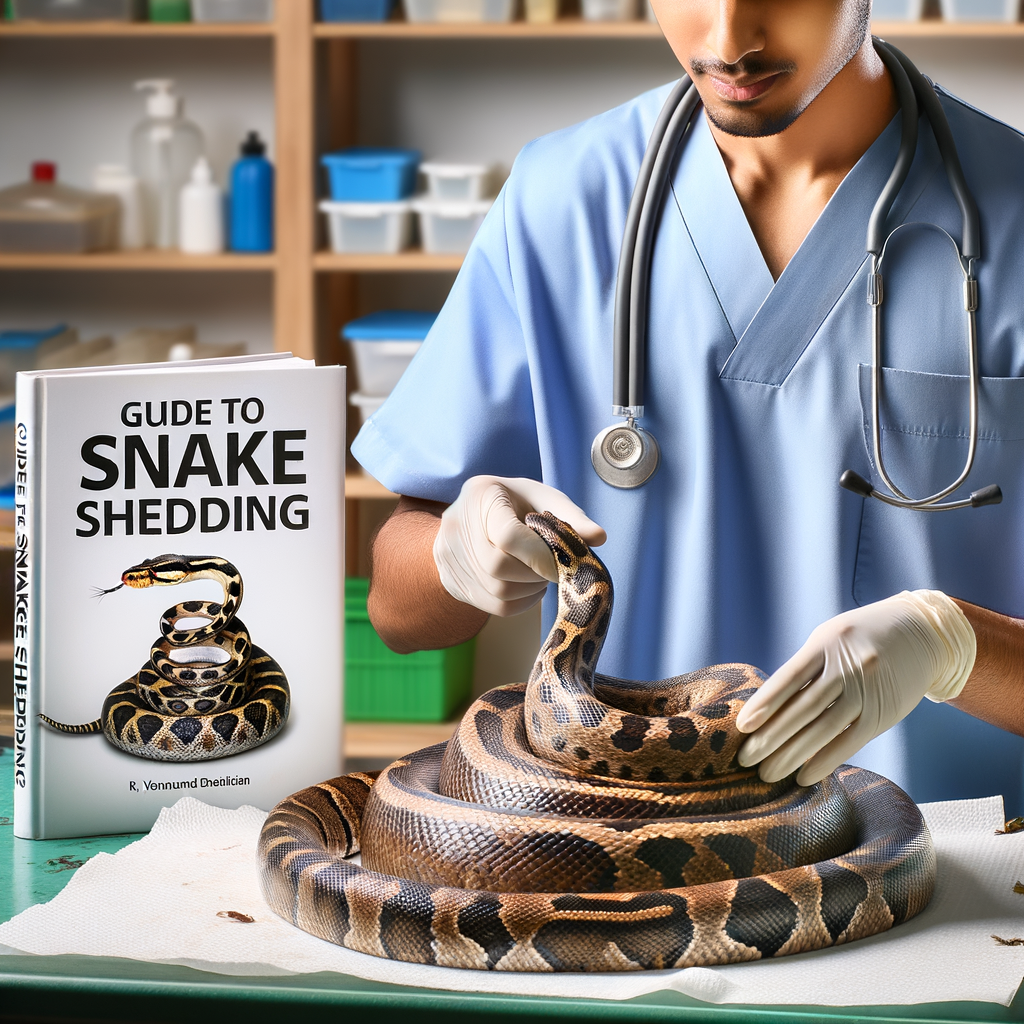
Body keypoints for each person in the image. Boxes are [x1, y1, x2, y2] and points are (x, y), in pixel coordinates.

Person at [352, 0, 1024, 808]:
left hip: (958, 884)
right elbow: (397, 612)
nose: (729, 40)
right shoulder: (561, 200)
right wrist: (455, 553)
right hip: (628, 866)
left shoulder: (1012, 214)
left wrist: (953, 646)